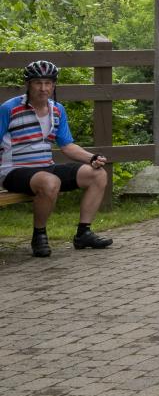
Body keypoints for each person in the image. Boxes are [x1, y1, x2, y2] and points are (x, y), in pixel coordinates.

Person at [0, 60, 112, 257]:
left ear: (54, 85)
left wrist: (91, 157)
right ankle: (39, 236)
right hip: (13, 170)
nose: (43, 88)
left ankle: (83, 233)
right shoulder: (9, 109)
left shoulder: (57, 109)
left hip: (44, 167)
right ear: (28, 84)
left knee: (98, 174)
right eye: (38, 83)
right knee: (50, 182)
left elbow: (67, 146)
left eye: (48, 83)